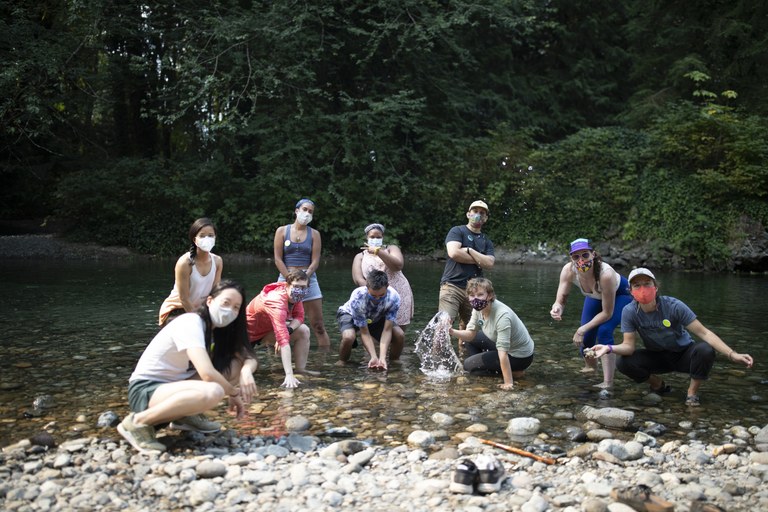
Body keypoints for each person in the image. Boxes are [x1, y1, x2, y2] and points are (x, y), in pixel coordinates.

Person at [119, 280, 258, 453]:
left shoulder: (218, 331)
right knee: (212, 391)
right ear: (209, 301)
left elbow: (248, 357)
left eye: (236, 307)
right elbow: (207, 373)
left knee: (236, 364)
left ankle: (183, 417)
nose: (230, 310)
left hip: (173, 388)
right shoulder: (191, 322)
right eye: (226, 303)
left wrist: (246, 371)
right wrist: (234, 392)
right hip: (146, 390)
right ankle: (137, 423)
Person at [592, 268, 754, 406]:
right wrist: (609, 348)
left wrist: (732, 355)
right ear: (631, 291)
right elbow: (629, 346)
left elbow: (704, 333)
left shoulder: (673, 306)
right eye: (637, 285)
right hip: (658, 356)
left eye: (647, 284)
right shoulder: (629, 312)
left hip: (683, 354)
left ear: (655, 287)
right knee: (624, 362)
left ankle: (691, 393)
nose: (643, 289)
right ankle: (658, 385)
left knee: (705, 350)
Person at [550, 238, 632, 388]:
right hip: (595, 296)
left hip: (622, 295)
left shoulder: (605, 274)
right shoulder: (568, 271)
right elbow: (560, 300)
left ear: (593, 255)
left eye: (585, 255)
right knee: (586, 337)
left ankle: (608, 382)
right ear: (571, 258)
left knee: (604, 331)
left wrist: (581, 329)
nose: (581, 260)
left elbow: (607, 313)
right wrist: (557, 309)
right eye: (576, 257)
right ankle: (591, 367)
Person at [449, 278, 534, 390]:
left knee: (468, 366)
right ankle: (483, 364)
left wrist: (508, 382)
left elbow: (503, 352)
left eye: (480, 295)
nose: (476, 299)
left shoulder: (502, 316)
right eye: (472, 295)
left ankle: (514, 373)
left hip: (519, 356)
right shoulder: (478, 308)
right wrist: (451, 331)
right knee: (470, 342)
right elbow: (470, 334)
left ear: (489, 295)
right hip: (503, 346)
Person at [273, 198, 331, 348]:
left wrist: (306, 275)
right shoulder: (282, 231)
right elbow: (278, 259)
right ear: (296, 210)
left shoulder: (314, 234)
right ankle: (277, 363)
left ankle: (323, 362)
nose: (307, 213)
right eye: (305, 209)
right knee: (279, 323)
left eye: (310, 212)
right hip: (286, 278)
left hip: (309, 278)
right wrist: (289, 278)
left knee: (318, 325)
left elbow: (316, 261)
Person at [245, 269, 317, 388]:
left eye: (304, 287)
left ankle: (300, 371)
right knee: (252, 369)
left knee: (303, 330)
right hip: (246, 336)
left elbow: (299, 317)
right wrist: (288, 375)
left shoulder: (295, 297)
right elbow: (283, 341)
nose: (300, 290)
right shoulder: (276, 301)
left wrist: (288, 331)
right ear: (287, 285)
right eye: (296, 286)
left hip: (264, 333)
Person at [438, 200, 495, 329]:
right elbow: (454, 253)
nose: (478, 215)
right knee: (444, 325)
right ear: (468, 214)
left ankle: (463, 350)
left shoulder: (486, 241)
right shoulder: (457, 231)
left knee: (471, 327)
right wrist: (480, 259)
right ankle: (438, 350)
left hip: (475, 291)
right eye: (475, 211)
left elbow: (490, 263)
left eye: (482, 213)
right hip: (452, 285)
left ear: (485, 218)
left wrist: (469, 250)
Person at [158, 218, 223, 326]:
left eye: (211, 235)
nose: (207, 239)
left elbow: (215, 294)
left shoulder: (218, 261)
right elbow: (184, 299)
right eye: (202, 235)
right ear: (194, 239)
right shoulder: (185, 263)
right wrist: (200, 321)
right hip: (177, 309)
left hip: (200, 310)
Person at [352, 223, 414, 331]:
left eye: (378, 237)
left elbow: (397, 266)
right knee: (376, 330)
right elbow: (358, 279)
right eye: (372, 237)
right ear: (367, 237)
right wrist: (375, 292)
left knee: (398, 331)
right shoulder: (360, 256)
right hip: (375, 295)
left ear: (383, 237)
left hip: (399, 291)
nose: (375, 239)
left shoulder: (391, 249)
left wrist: (378, 252)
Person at [336, 269, 402, 369]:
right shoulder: (358, 297)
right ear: (367, 287)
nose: (377, 299)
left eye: (381, 296)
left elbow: (387, 330)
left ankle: (393, 362)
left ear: (387, 286)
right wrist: (373, 356)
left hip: (376, 316)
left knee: (399, 334)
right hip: (349, 314)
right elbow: (364, 332)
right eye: (373, 296)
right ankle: (342, 362)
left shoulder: (394, 297)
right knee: (349, 337)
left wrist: (382, 357)